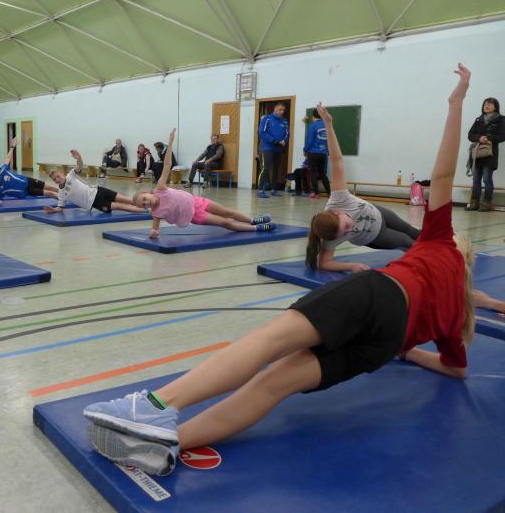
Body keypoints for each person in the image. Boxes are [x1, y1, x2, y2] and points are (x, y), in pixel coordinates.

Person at [82, 64, 476, 477]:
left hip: (380, 294)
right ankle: (172, 443)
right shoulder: (458, 315)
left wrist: (456, 104)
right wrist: (411, 351)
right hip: (384, 342)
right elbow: (457, 368)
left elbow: (443, 173)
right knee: (276, 385)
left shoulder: (440, 241)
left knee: (268, 342)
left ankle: (153, 406)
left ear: (459, 248)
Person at [305, 117, 420, 272]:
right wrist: (351, 266)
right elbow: (323, 263)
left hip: (378, 212)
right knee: (408, 242)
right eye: (344, 233)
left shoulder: (338, 199)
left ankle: (442, 247)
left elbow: (337, 160)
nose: (349, 229)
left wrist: (329, 124)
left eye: (346, 226)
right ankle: (431, 259)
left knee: (411, 230)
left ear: (337, 213)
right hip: (376, 235)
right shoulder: (331, 236)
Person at [133, 128, 275, 238]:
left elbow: (167, 164)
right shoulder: (156, 213)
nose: (147, 202)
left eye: (144, 199)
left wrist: (170, 142)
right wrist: (153, 233)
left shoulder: (160, 188)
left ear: (146, 193)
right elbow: (154, 229)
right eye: (144, 205)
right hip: (195, 215)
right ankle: (257, 228)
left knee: (227, 211)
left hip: (197, 201)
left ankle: (253, 220)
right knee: (225, 222)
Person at [45, 150, 146, 214]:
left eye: (58, 176)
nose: (57, 179)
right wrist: (53, 210)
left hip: (99, 190)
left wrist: (79, 158)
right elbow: (60, 207)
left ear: (62, 174)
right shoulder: (61, 193)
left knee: (127, 199)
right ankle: (147, 212)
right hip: (95, 203)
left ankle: (148, 206)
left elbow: (79, 166)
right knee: (120, 206)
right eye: (54, 179)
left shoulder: (70, 175)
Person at [0, 138, 58, 204]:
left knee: (50, 187)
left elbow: (8, 158)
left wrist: (12, 147)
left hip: (28, 180)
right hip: (27, 190)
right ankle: (62, 202)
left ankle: (62, 192)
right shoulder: (0, 190)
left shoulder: (2, 172)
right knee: (50, 193)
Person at [466, 97, 504, 211]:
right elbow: (470, 135)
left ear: (495, 107)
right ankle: (474, 202)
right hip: (477, 154)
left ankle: (487, 203)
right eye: (485, 104)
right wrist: (479, 138)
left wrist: (488, 138)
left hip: (490, 154)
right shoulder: (479, 119)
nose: (486, 106)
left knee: (487, 179)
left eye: (489, 104)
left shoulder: (501, 119)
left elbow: (503, 136)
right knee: (476, 179)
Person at [257, 103, 289, 198]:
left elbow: (287, 134)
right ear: (275, 109)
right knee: (266, 168)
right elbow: (262, 132)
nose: (282, 111)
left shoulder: (284, 121)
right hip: (267, 148)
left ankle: (274, 190)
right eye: (280, 109)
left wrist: (284, 141)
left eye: (283, 110)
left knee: (276, 169)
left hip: (278, 148)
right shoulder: (267, 119)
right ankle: (260, 190)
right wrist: (273, 141)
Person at [304, 109, 331, 198]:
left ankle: (316, 193)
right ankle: (329, 193)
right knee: (323, 174)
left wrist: (305, 149)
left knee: (313, 173)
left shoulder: (313, 126)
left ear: (313, 116)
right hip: (324, 153)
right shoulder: (327, 125)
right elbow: (330, 140)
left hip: (313, 153)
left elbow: (310, 140)